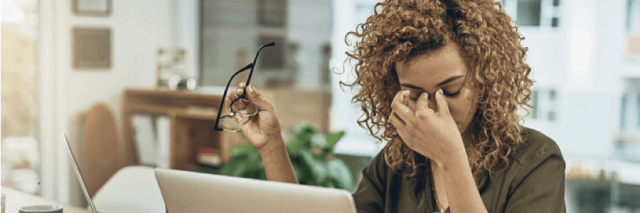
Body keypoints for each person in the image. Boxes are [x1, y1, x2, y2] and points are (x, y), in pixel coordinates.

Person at [224, 0, 566, 212]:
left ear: (483, 77)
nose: (432, 111)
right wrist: (271, 146)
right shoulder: (398, 164)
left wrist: (450, 159)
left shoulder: (536, 161)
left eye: (450, 90)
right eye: (414, 94)